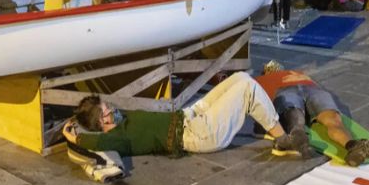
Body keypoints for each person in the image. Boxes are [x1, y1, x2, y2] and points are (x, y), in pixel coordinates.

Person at [63, 72, 308, 165]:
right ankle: (283, 139)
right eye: (108, 108)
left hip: (189, 116)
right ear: (102, 119)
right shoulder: (116, 137)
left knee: (241, 78)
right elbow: (91, 143)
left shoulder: (121, 122)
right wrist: (69, 134)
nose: (113, 108)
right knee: (248, 89)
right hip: (197, 134)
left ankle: (271, 125)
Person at [255, 61, 369, 167]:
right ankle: (298, 137)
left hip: (308, 90)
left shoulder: (295, 73)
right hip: (290, 90)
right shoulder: (262, 80)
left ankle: (356, 148)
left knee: (330, 120)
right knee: (298, 115)